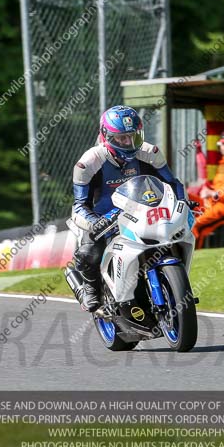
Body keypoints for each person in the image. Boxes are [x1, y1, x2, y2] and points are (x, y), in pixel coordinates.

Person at [70, 105, 188, 313]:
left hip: (142, 210)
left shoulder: (150, 152)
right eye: (121, 138)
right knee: (89, 250)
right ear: (106, 136)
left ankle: (170, 284)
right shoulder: (87, 163)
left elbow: (173, 184)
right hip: (104, 217)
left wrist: (182, 202)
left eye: (133, 136)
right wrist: (96, 222)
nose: (128, 143)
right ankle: (90, 289)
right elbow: (79, 205)